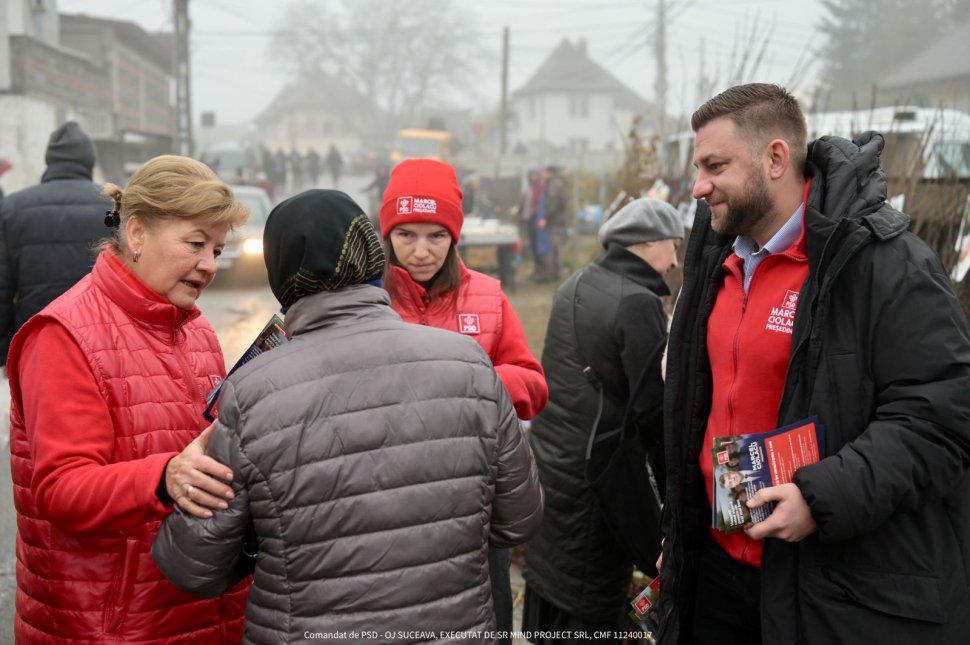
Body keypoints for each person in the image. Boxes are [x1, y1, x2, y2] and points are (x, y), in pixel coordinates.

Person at [152, 189, 544, 642]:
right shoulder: (470, 363)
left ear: (280, 273)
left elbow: (193, 566)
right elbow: (520, 518)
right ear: (374, 257)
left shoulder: (254, 391)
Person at [658, 83, 970, 644]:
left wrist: (820, 498)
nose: (698, 185)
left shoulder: (882, 262)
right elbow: (697, 409)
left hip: (832, 585)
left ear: (776, 158)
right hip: (717, 571)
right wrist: (680, 538)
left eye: (714, 165)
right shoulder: (715, 259)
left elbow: (941, 416)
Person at [6, 154, 251, 643]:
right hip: (108, 623)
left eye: (218, 249)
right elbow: (60, 488)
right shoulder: (63, 335)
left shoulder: (196, 327)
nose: (209, 265)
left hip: (197, 610)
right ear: (136, 234)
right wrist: (165, 477)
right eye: (195, 244)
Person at [379, 158, 549, 643]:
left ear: (455, 235)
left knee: (484, 623)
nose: (421, 251)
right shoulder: (368, 300)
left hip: (478, 506)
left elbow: (533, 385)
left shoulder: (489, 297)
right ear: (386, 233)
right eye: (406, 235)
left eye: (436, 235)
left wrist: (470, 382)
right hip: (392, 505)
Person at [522, 198, 682, 643]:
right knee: (590, 607)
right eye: (672, 246)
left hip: (554, 478)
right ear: (645, 243)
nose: (673, 260)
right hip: (599, 493)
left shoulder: (574, 285)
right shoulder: (637, 303)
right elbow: (654, 412)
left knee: (550, 601)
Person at [0, 122, 112, 366]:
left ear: (49, 162)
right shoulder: (114, 207)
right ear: (90, 165)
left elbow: (3, 287)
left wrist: (7, 353)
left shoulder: (11, 208)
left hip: (36, 339)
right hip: (103, 341)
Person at [534, 165, 567, 283]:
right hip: (556, 221)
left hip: (554, 221)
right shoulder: (556, 183)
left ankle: (551, 275)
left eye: (545, 172)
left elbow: (553, 203)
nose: (543, 175)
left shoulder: (554, 185)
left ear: (549, 173)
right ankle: (555, 273)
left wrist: (545, 218)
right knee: (555, 248)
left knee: (553, 248)